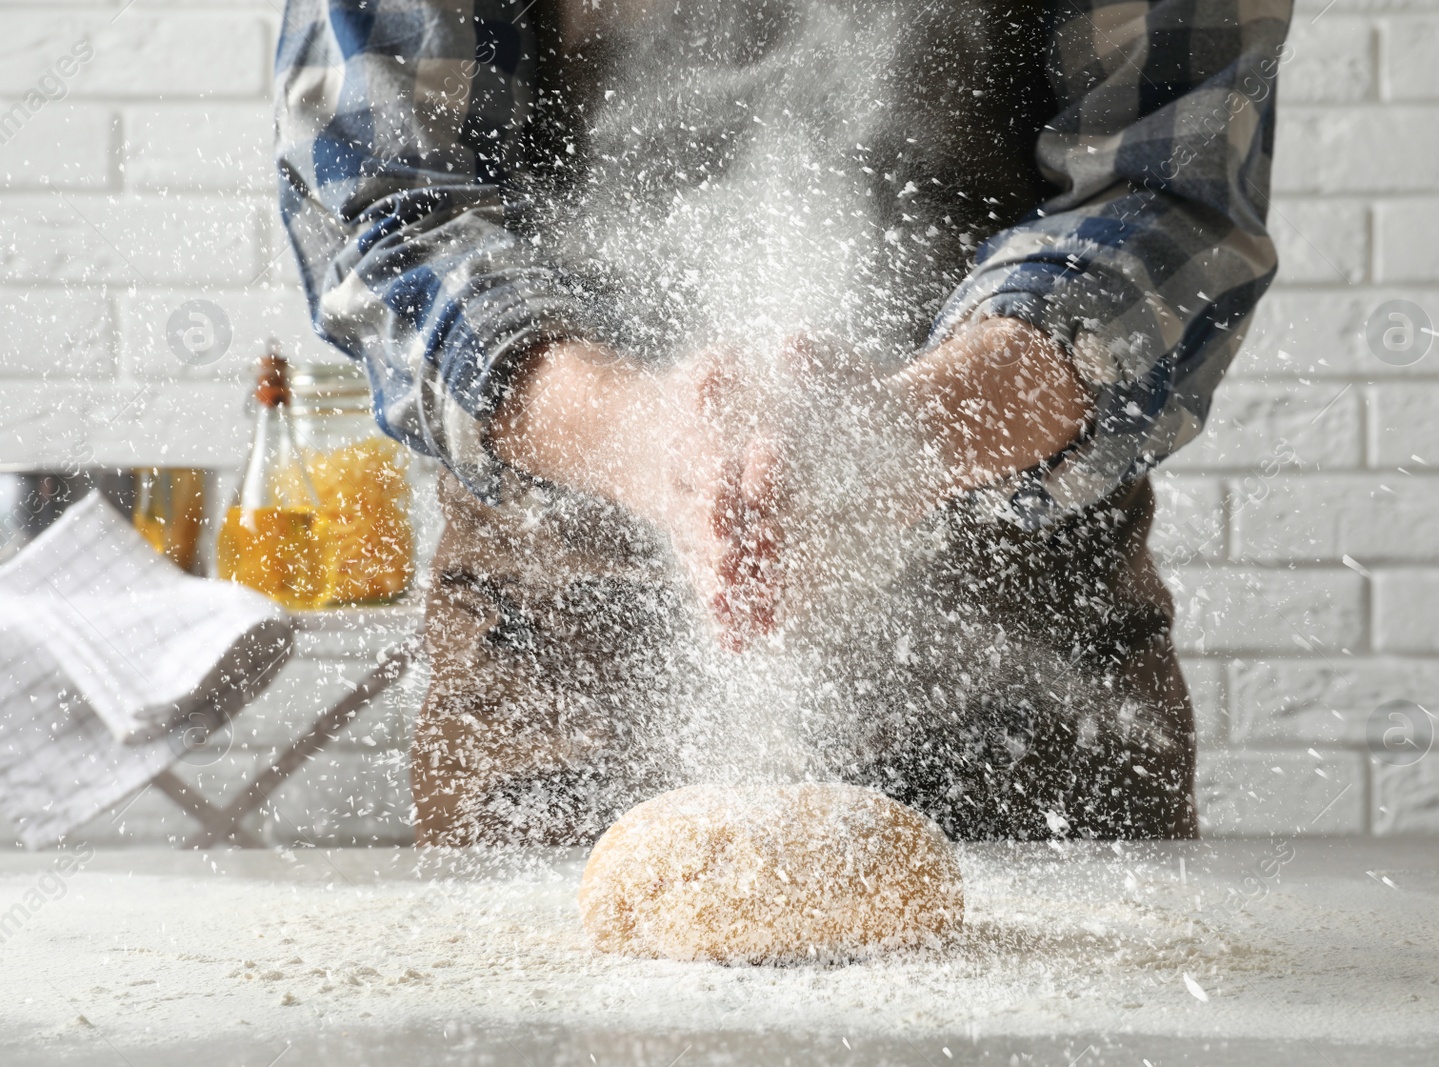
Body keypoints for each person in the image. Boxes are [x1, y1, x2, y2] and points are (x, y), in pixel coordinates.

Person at [275, 0, 1289, 845]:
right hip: (556, 673)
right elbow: (385, 194)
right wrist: (640, 434)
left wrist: (909, 435)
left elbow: (1164, 197)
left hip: (1029, 677)